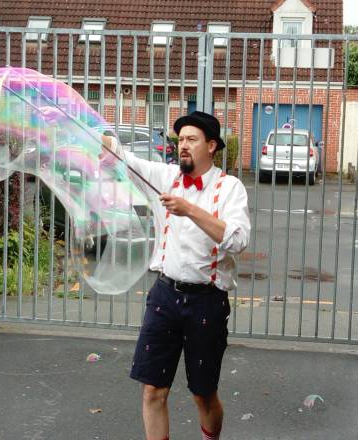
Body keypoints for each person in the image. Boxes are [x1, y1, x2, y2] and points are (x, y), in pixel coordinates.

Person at [103, 111, 250, 440]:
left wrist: (191, 209)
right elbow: (120, 157)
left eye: (192, 139)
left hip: (207, 302)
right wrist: (93, 134)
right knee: (152, 390)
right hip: (165, 296)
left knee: (203, 394)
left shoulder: (230, 189)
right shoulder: (165, 176)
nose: (183, 145)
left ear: (211, 146)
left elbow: (238, 240)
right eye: (180, 139)